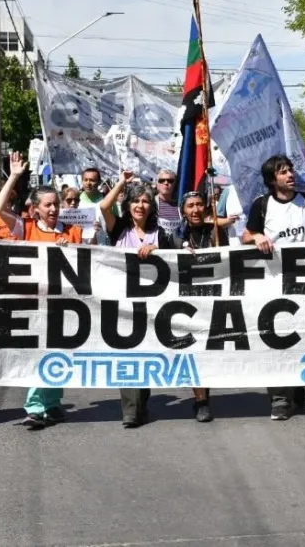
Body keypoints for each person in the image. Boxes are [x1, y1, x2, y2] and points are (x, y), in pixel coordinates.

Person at [0, 152, 84, 429]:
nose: (54, 210)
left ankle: (52, 404)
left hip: (65, 304)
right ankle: (35, 407)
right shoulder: (25, 227)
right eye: (48, 205)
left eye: (56, 205)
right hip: (33, 304)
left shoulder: (73, 231)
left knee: (59, 355)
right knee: (40, 355)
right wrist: (15, 175)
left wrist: (74, 250)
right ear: (36, 209)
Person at [242, 155, 305, 421]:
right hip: (273, 284)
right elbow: (246, 235)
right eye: (283, 172)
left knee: (301, 335)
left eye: (290, 170)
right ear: (272, 180)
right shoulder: (262, 205)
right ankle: (279, 399)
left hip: (304, 282)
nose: (290, 175)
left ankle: (296, 385)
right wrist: (256, 237)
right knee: (277, 339)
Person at [100, 170, 176, 428]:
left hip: (153, 305)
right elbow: (103, 206)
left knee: (146, 354)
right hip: (122, 304)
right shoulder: (119, 228)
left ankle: (141, 403)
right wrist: (122, 181)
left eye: (145, 201)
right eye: (135, 201)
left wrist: (159, 250)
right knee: (128, 354)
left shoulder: (160, 233)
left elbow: (176, 259)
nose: (140, 205)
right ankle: (130, 410)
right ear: (128, 205)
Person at [174, 191, 229, 422]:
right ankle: (201, 400)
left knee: (209, 350)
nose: (195, 210)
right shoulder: (175, 235)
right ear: (183, 210)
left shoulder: (216, 231)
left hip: (213, 298)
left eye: (199, 205)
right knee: (194, 350)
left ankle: (205, 392)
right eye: (190, 206)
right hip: (186, 301)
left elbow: (228, 260)